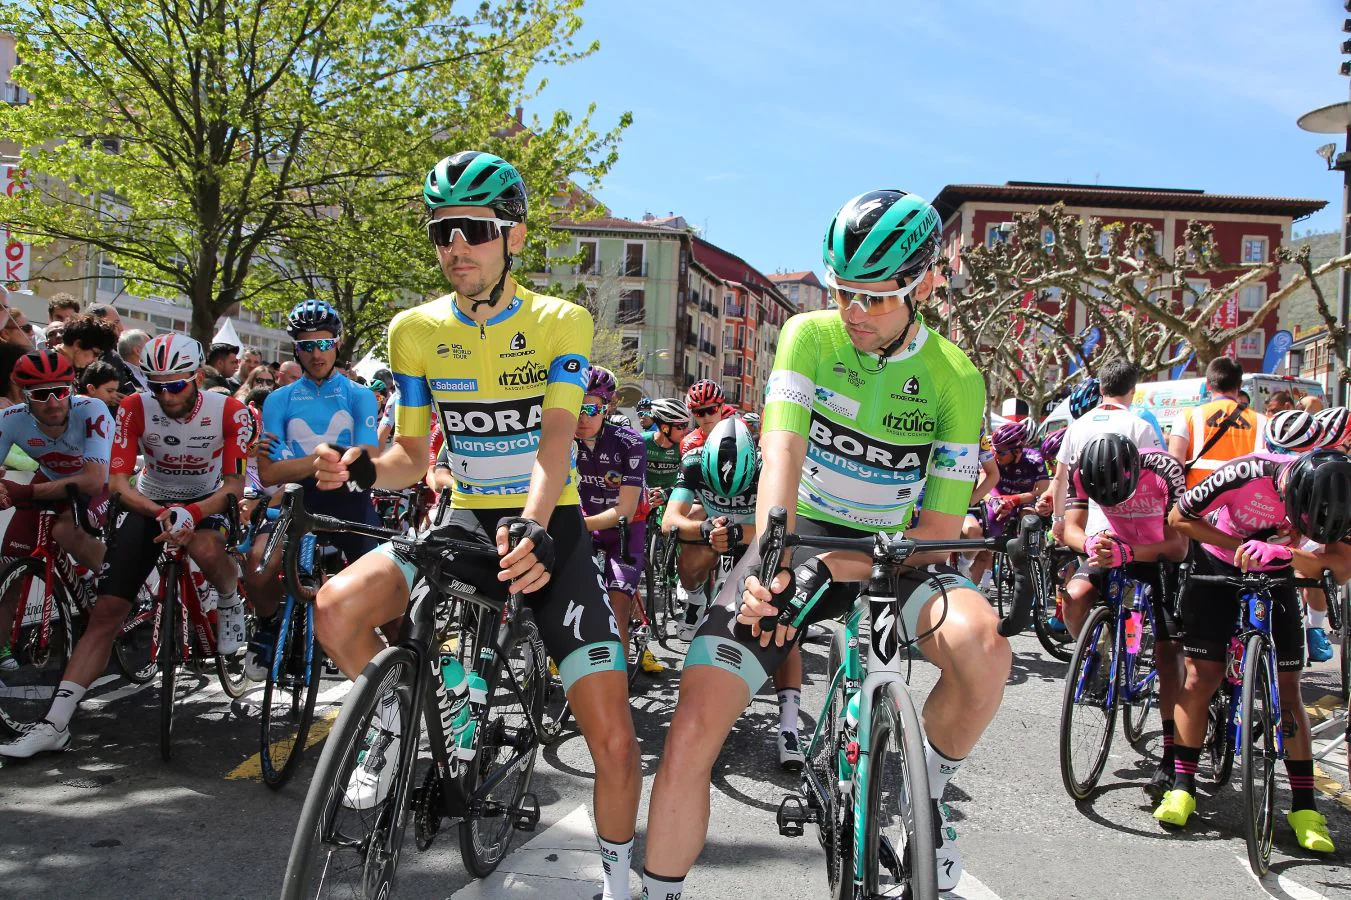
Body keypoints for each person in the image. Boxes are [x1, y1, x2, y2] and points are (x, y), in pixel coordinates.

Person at [306, 150, 641, 900]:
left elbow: (556, 441)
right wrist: (360, 466)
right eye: (441, 231)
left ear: (513, 238)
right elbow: (410, 454)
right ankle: (395, 725)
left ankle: (623, 888)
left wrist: (531, 524)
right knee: (335, 606)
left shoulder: (561, 320)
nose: (455, 246)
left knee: (614, 743)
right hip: (465, 518)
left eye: (473, 230)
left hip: (548, 523)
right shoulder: (416, 331)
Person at [643, 189, 994, 897]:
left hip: (899, 550)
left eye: (876, 297)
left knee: (984, 651)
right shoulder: (810, 335)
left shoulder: (955, 376)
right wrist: (770, 561)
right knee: (690, 731)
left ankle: (923, 797)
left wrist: (842, 563)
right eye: (843, 293)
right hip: (799, 532)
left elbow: (934, 531)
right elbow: (781, 457)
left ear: (922, 284)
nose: (855, 313)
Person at [0, 335, 257, 759]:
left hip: (207, 499)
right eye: (157, 386)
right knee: (106, 612)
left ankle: (228, 598)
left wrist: (192, 512)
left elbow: (234, 484)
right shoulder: (135, 407)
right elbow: (117, 483)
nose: (166, 395)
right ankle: (54, 724)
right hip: (150, 500)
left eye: (176, 386)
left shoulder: (231, 411)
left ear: (196, 376)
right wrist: (159, 512)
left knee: (208, 550)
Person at [1160, 449, 1351, 854]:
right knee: (1201, 677)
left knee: (1288, 690)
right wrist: (1241, 544)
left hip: (1277, 568)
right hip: (1217, 562)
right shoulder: (1245, 473)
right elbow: (1179, 518)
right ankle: (1182, 786)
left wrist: (1287, 553)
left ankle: (1304, 808)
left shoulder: (1342, 492)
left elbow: (1343, 566)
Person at [244, 299, 380, 681]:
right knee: (258, 568)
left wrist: (302, 461)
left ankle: (413, 674)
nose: (316, 354)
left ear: (337, 344)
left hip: (350, 500)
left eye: (323, 344)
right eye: (306, 346)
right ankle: (268, 625)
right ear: (295, 350)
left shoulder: (359, 395)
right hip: (295, 499)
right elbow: (269, 473)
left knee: (395, 601)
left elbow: (367, 460)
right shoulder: (278, 400)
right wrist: (325, 458)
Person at [1063, 433, 1188, 797]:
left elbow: (1179, 547)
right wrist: (1087, 543)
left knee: (1169, 651)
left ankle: (1171, 751)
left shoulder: (1165, 469)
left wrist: (1130, 553)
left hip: (1156, 554)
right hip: (1110, 549)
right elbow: (1069, 526)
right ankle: (1097, 654)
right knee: (1074, 596)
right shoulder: (1081, 467)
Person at [574, 365, 661, 675]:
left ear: (607, 407)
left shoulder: (629, 442)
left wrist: (576, 525)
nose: (582, 417)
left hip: (625, 531)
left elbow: (625, 509)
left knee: (617, 606)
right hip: (582, 528)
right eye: (575, 406)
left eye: (591, 408)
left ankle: (617, 684)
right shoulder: (562, 439)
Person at [1053, 361, 1161, 543]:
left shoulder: (1077, 426)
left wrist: (1059, 519)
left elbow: (1060, 478)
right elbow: (1155, 480)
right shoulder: (1140, 427)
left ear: (1101, 389)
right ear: (1133, 390)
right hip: (1130, 529)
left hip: (1085, 529)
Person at [961, 419, 1046, 588]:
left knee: (1029, 517)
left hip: (1022, 501)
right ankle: (977, 588)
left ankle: (1029, 557)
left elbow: (1042, 490)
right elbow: (984, 485)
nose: (996, 456)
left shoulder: (1035, 460)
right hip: (997, 498)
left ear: (1017, 451)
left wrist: (1015, 500)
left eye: (1001, 452)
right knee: (988, 543)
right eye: (995, 450)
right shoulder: (994, 457)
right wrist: (996, 501)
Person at [1168, 357, 1264, 489]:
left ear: (1208, 384)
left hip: (1197, 502)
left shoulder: (1187, 417)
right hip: (1243, 503)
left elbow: (1175, 466)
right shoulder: (1262, 421)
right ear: (1239, 385)